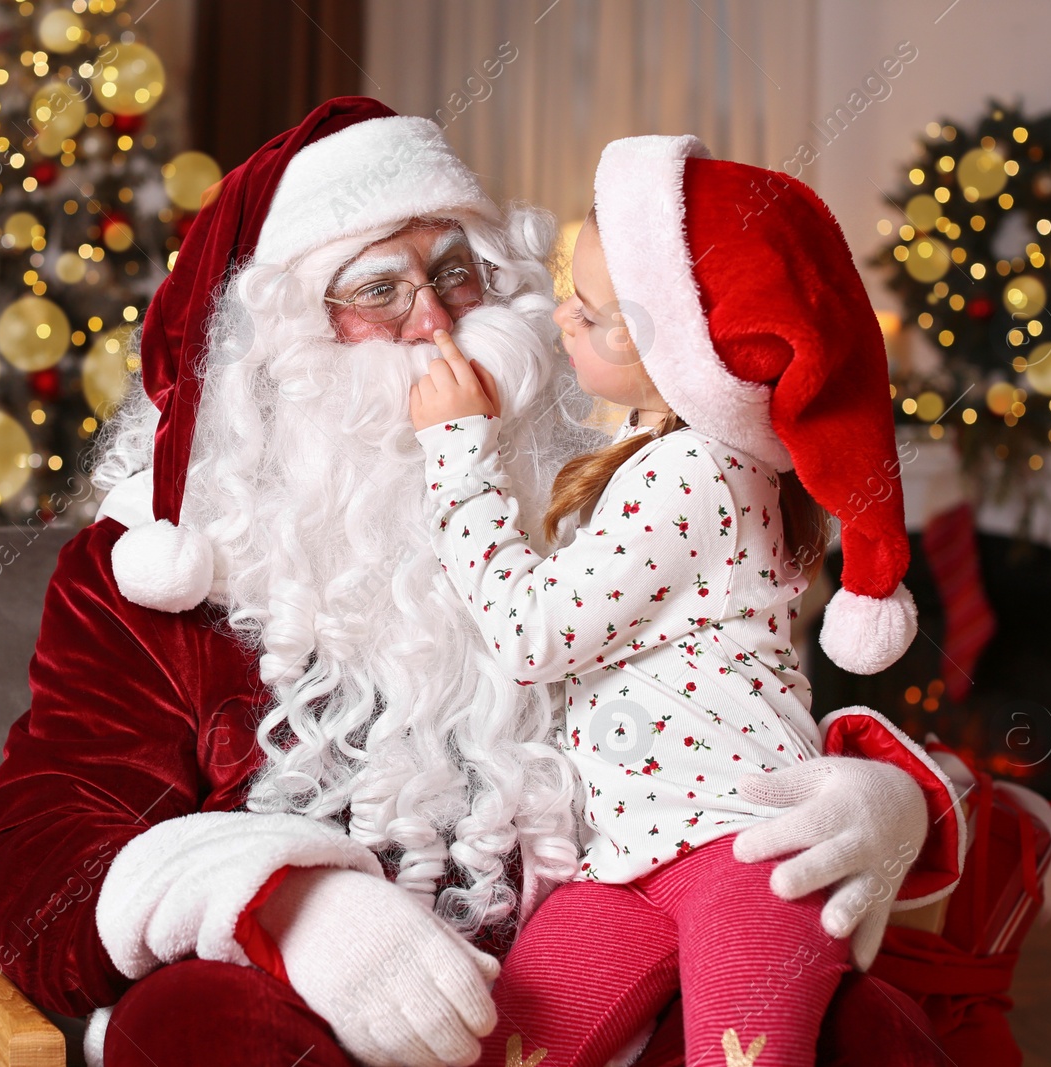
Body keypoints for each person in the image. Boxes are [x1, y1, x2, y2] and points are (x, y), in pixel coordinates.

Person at [0, 100, 963, 1067]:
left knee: (855, 1024)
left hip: (597, 997)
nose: (435, 323)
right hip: (305, 1021)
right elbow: (35, 869)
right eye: (378, 291)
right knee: (196, 1020)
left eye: (454, 273)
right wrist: (287, 902)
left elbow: (723, 695)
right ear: (278, 347)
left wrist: (881, 802)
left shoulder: (591, 493)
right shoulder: (149, 571)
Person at [407, 134, 964, 1067]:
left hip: (745, 855)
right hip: (626, 863)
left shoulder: (696, 470)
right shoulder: (662, 449)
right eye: (569, 296)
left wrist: (457, 454)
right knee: (510, 1048)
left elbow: (531, 632)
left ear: (701, 350)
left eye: (599, 315)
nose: (562, 321)